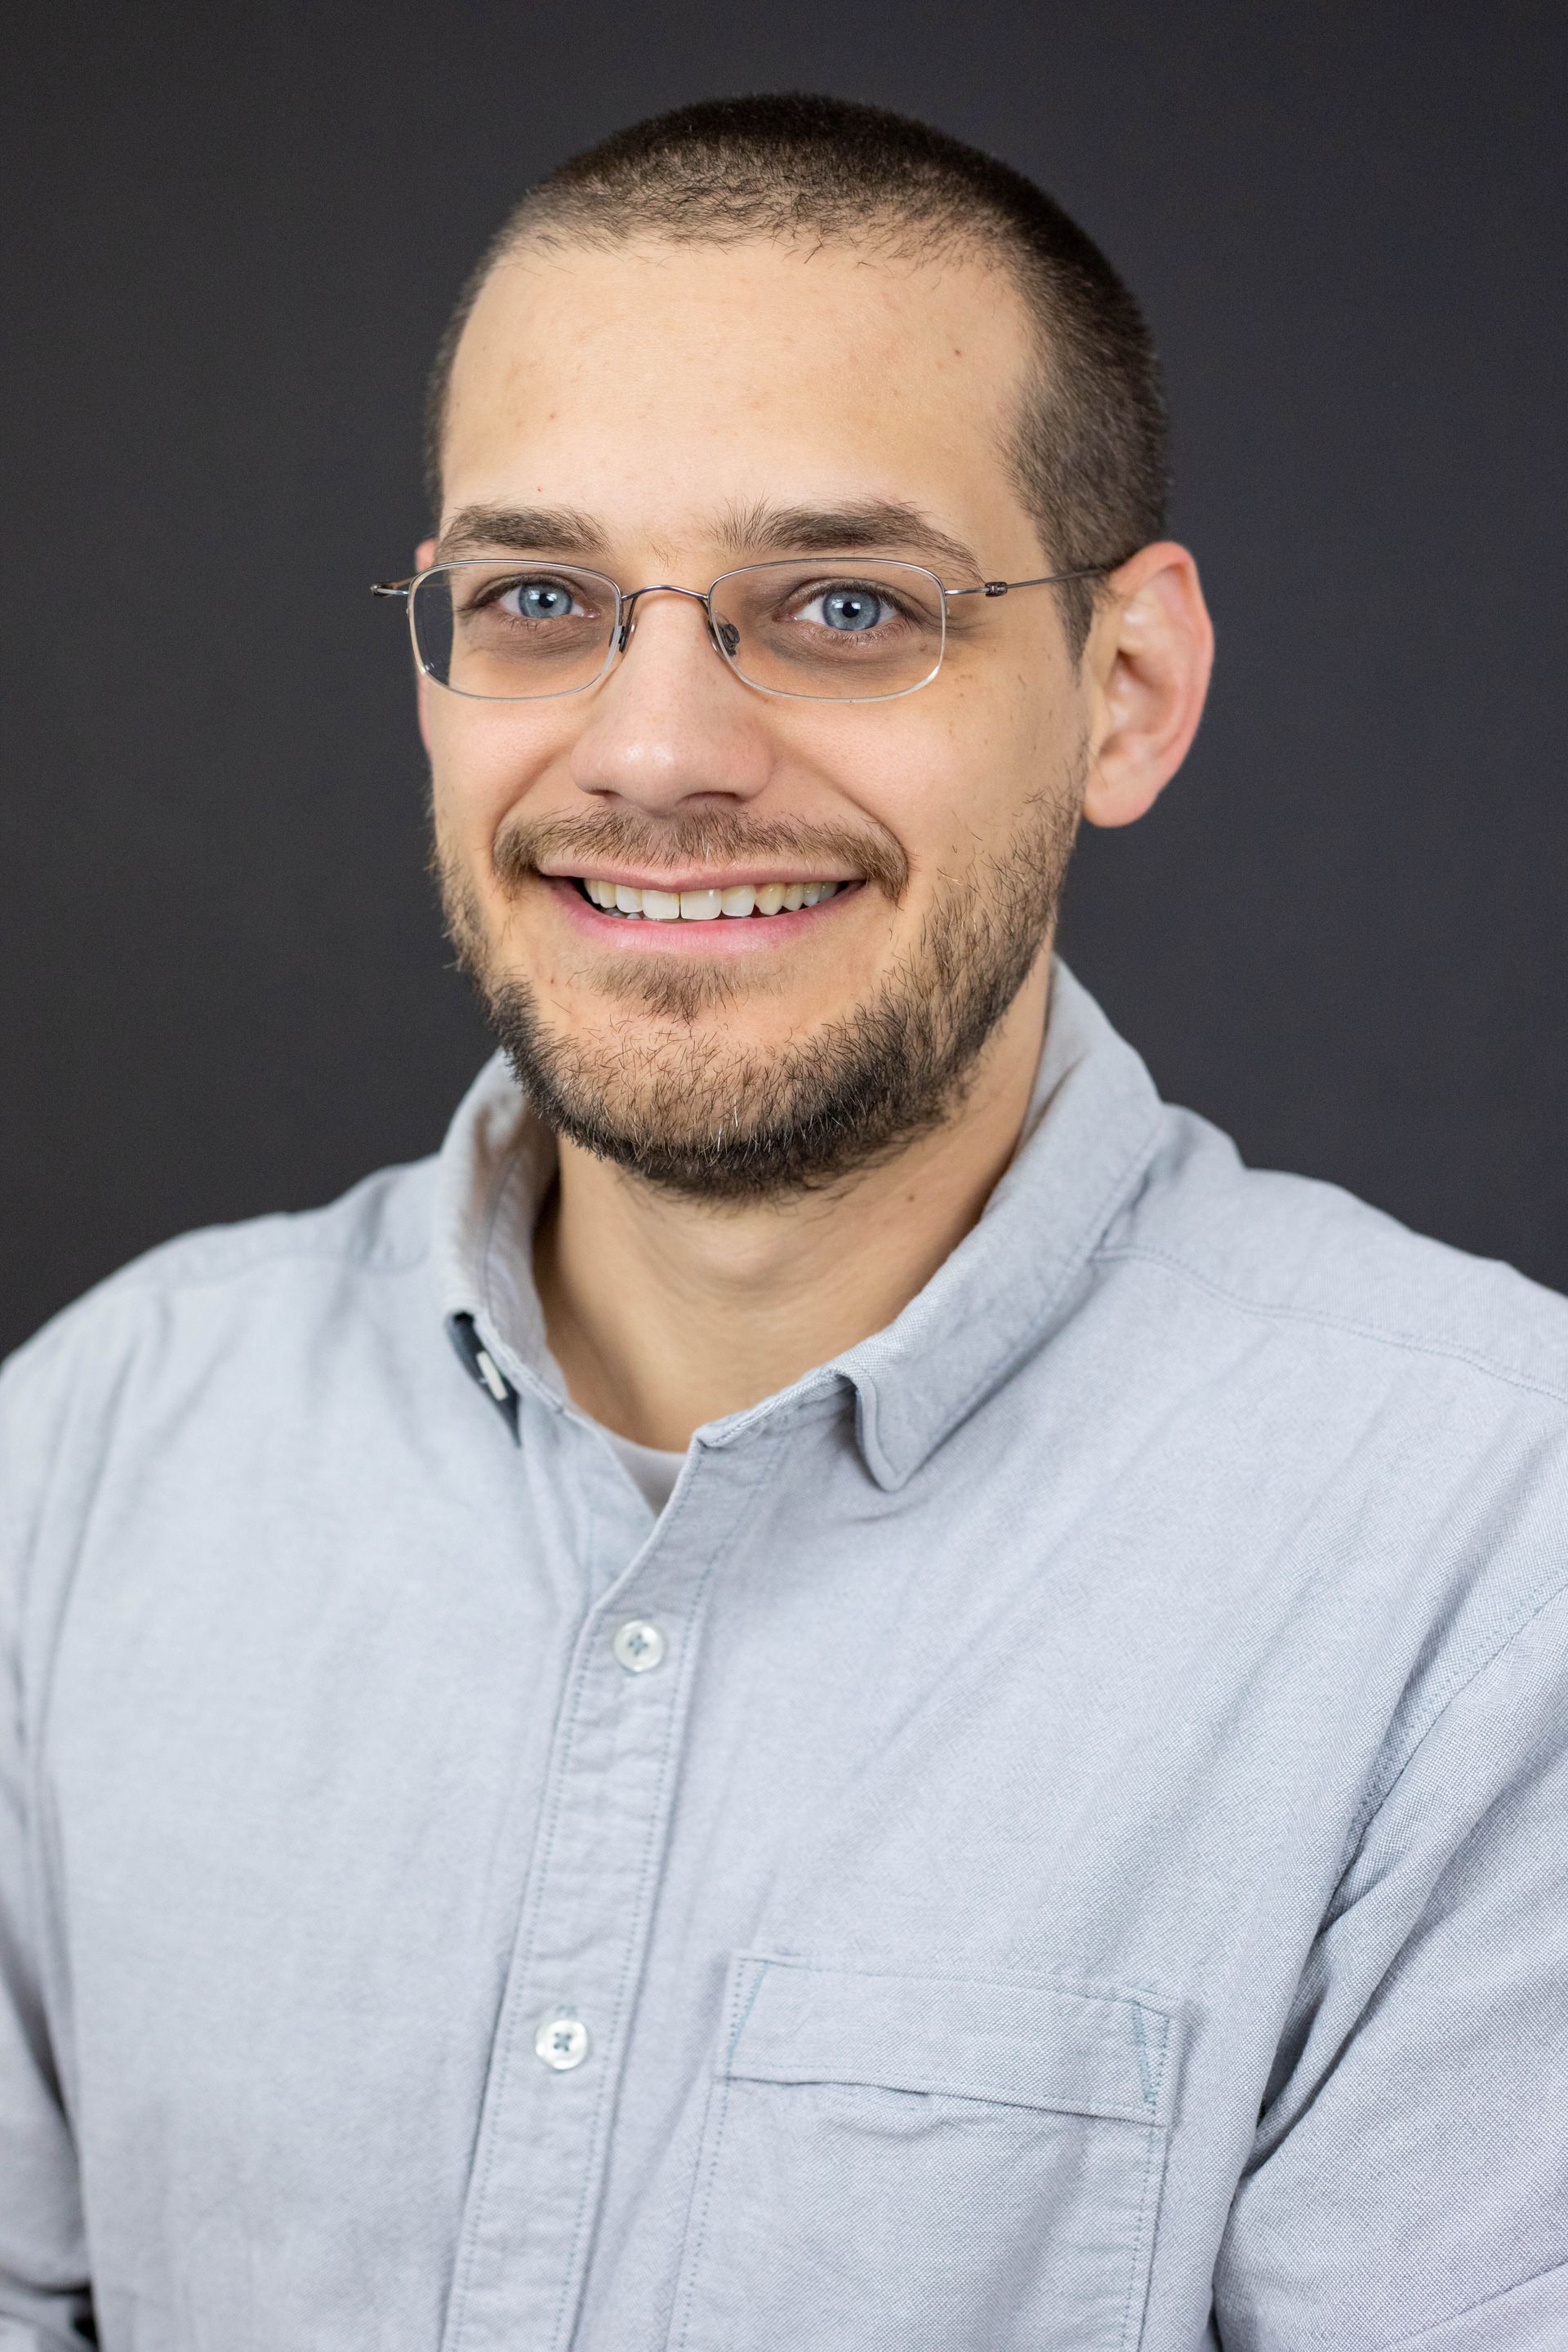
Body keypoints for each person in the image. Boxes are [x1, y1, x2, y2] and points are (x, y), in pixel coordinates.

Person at [2, 90, 1565, 2352]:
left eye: (843, 606)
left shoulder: (1494, 1572)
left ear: (1127, 692)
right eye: (538, 599)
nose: (654, 754)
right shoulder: (86, 1463)